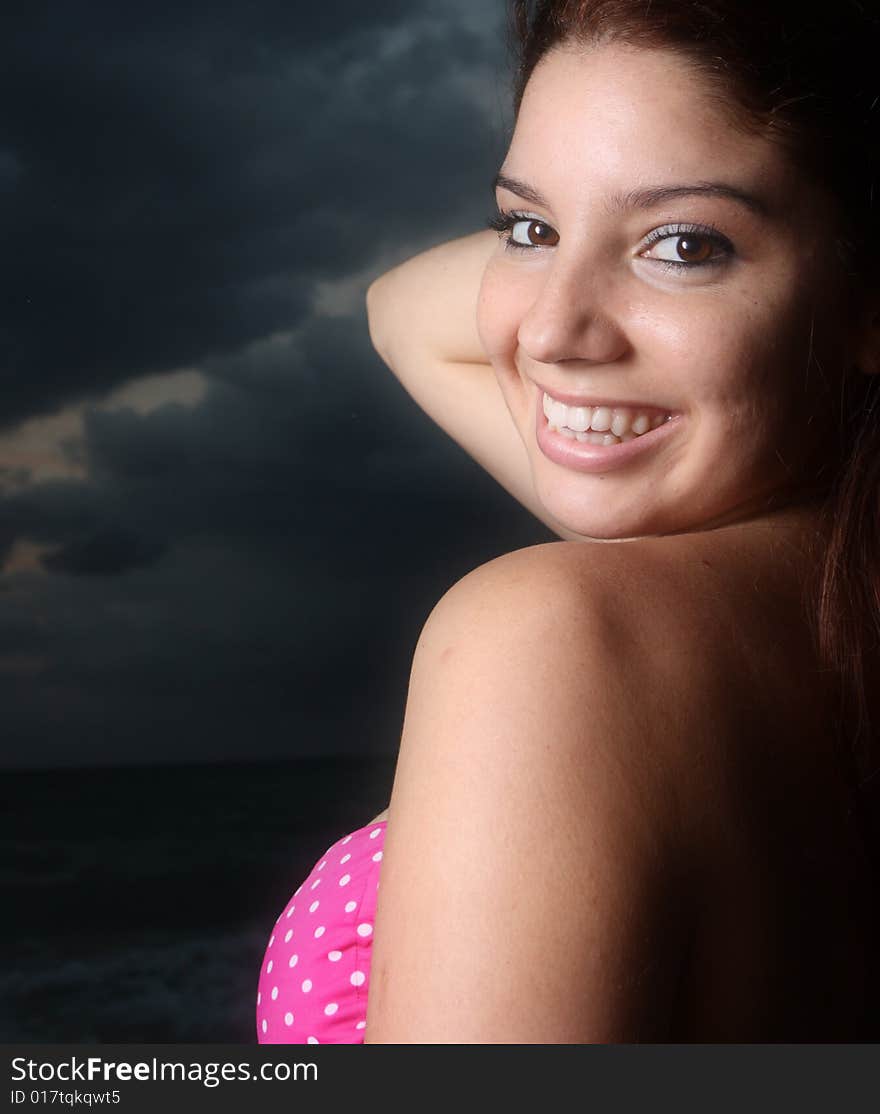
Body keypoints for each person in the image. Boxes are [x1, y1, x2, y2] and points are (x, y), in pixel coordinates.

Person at [256, 0, 880, 1043]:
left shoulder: (553, 638)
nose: (549, 332)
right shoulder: (831, 600)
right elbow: (397, 313)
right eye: (526, 228)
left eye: (685, 244)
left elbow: (405, 312)